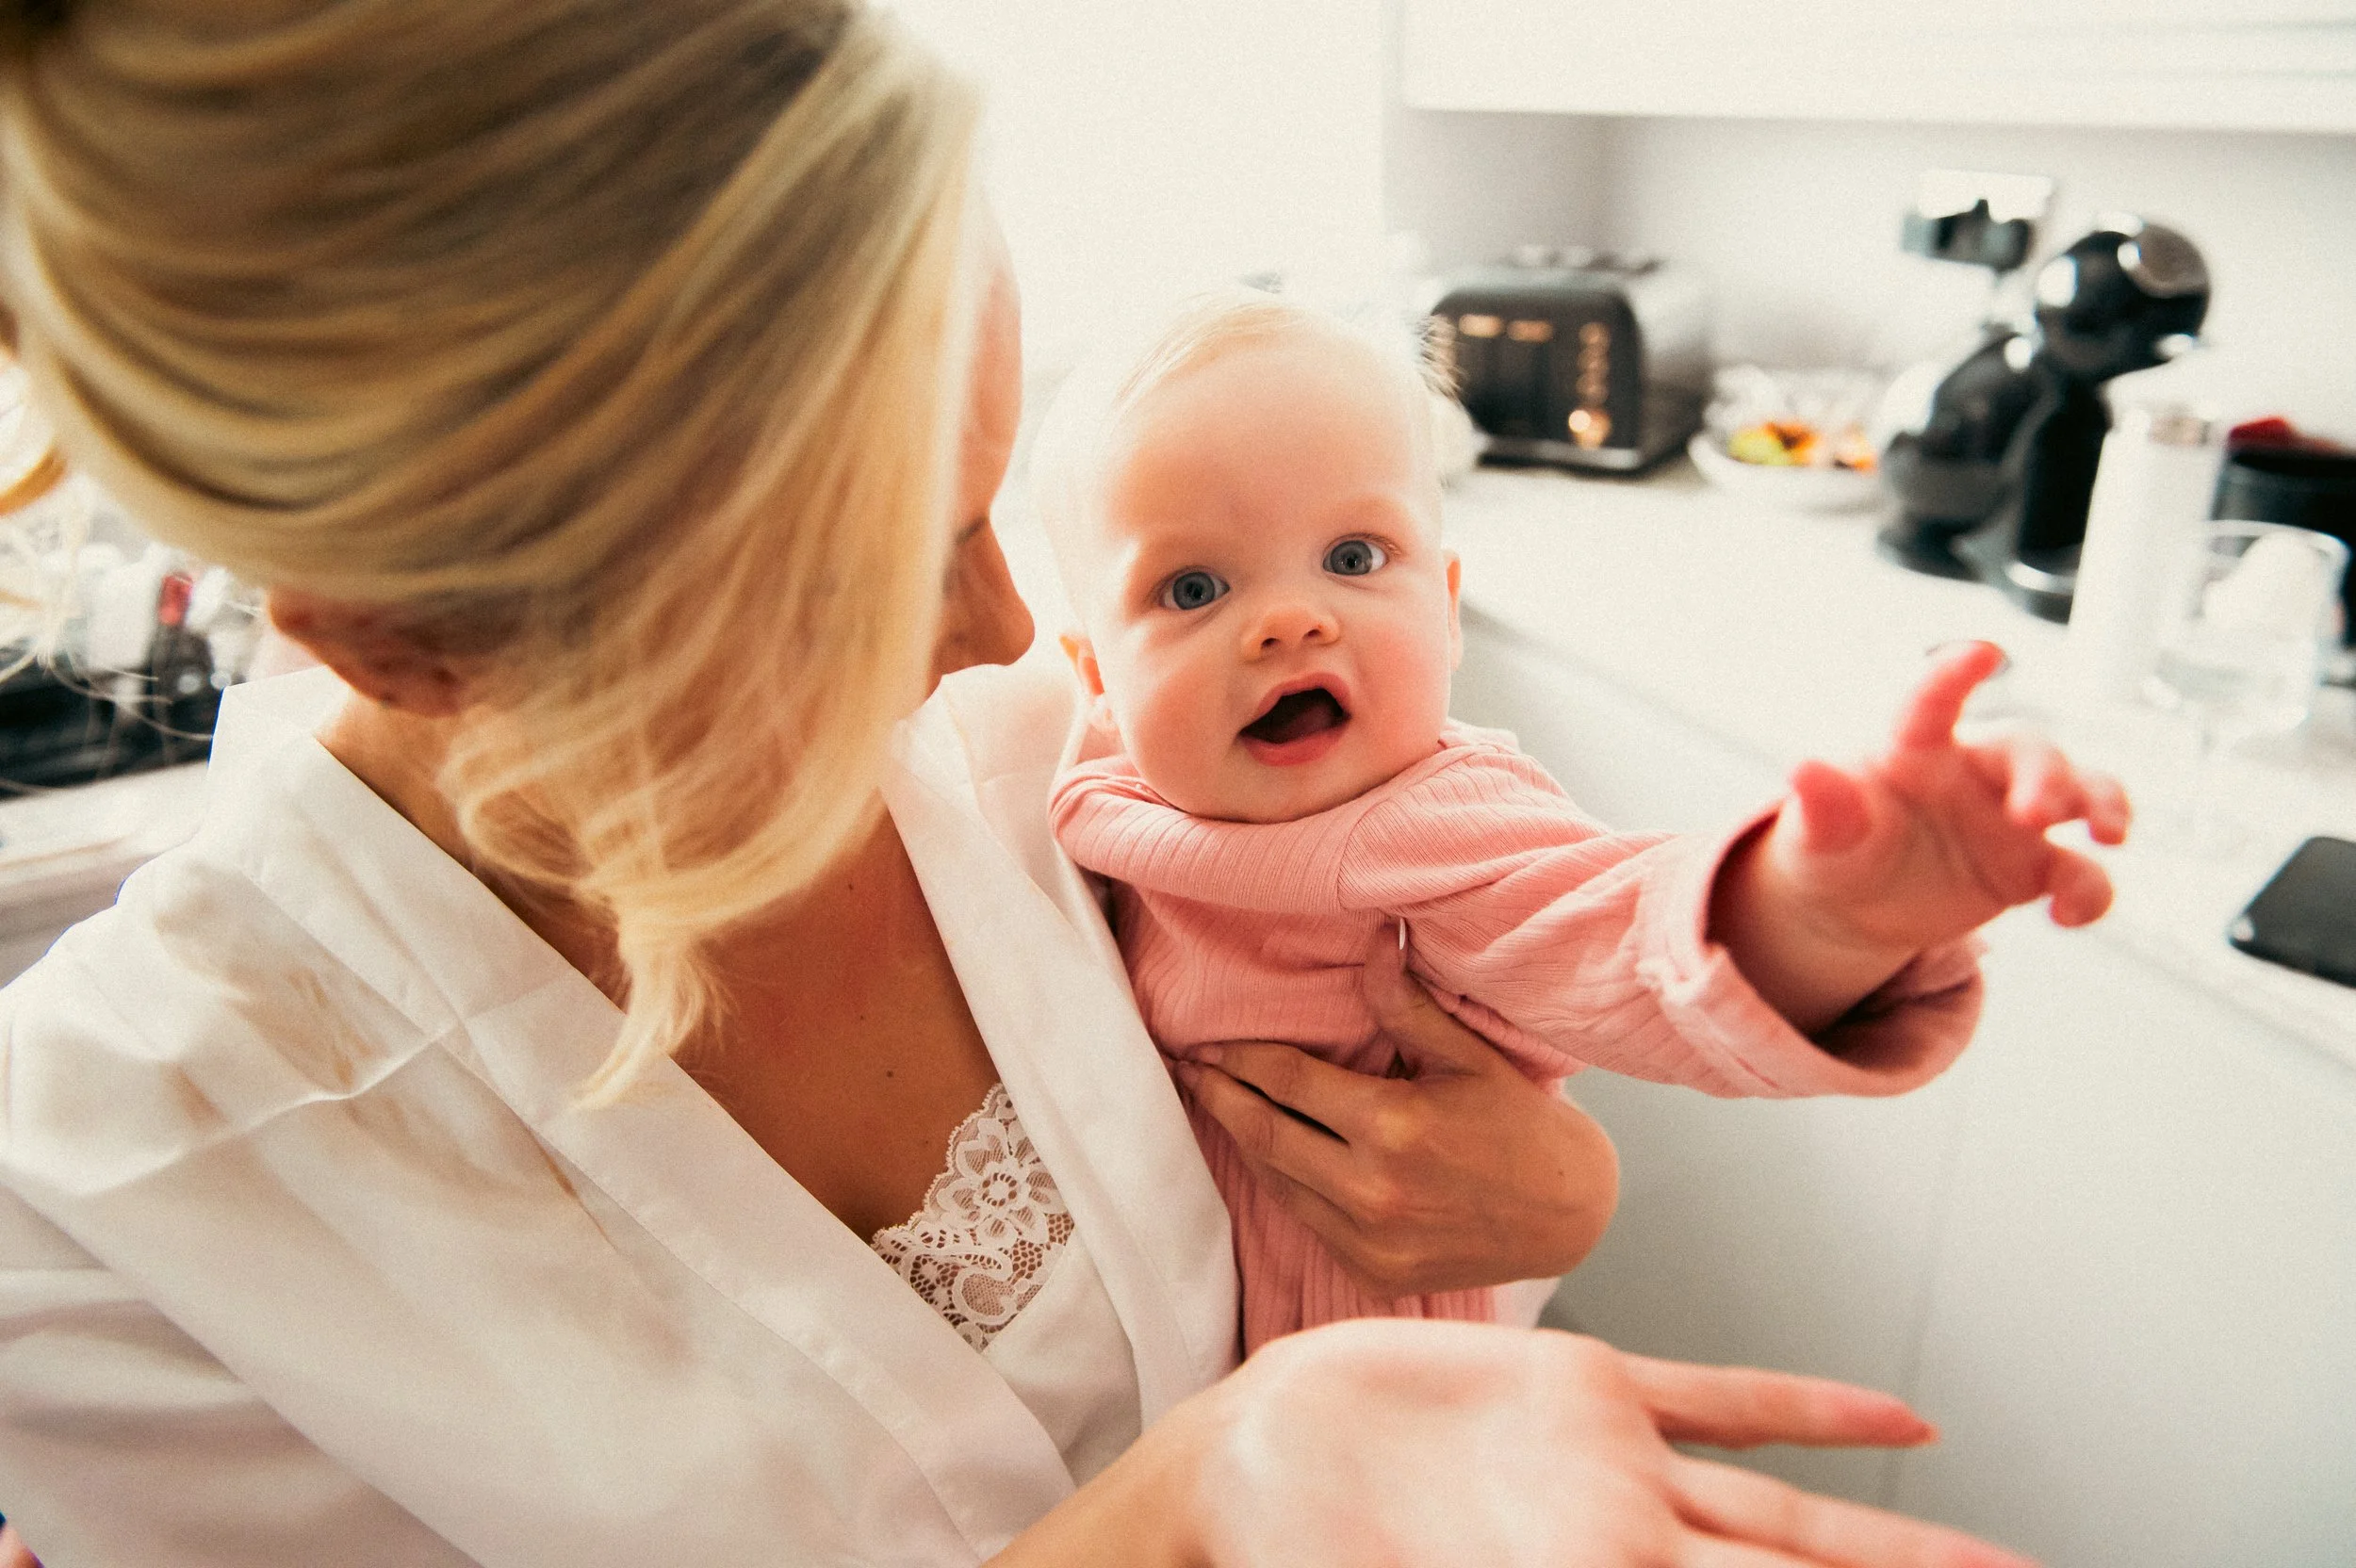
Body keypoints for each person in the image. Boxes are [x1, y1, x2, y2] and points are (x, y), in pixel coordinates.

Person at [0, 1, 2037, 1563]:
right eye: (868, 569)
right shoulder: (100, 1209)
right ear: (407, 638)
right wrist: (1183, 1505)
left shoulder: (1091, 750)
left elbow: (1519, 914)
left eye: (993, 498)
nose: (1004, 640)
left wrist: (1556, 1173)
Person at [1037, 292, 2127, 1349]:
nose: (1288, 619)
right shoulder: (1107, 790)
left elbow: (1623, 931)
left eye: (1354, 558)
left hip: (1371, 1352)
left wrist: (1819, 908)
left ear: (1448, 607)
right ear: (1094, 676)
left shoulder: (1429, 820)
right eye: (1190, 590)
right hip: (1180, 1343)